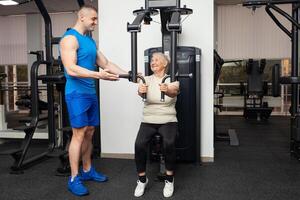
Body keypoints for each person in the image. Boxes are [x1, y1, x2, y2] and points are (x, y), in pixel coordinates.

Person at [59, 5, 126, 196]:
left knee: (90, 132)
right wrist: (99, 76)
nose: (96, 23)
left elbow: (106, 64)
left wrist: (128, 74)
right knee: (78, 134)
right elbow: (71, 68)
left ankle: (88, 170)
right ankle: (74, 177)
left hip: (90, 93)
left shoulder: (90, 41)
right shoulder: (70, 39)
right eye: (93, 19)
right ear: (81, 17)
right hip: (76, 94)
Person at [134, 52, 180, 198]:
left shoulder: (172, 79)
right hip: (148, 119)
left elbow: (174, 92)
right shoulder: (145, 79)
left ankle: (169, 180)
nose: (153, 62)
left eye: (157, 60)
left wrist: (167, 90)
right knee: (139, 144)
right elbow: (141, 92)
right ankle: (142, 180)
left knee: (169, 142)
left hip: (168, 119)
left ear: (165, 63)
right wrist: (140, 91)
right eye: (152, 60)